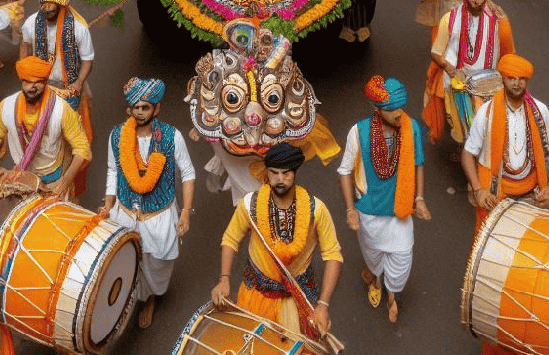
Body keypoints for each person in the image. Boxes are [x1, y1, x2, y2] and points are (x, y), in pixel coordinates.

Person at [211, 142, 342, 341]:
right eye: (274, 173)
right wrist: (224, 279)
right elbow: (230, 238)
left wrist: (323, 306)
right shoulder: (250, 204)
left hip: (296, 300)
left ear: (295, 173)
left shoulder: (316, 210)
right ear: (267, 173)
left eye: (286, 173)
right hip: (255, 294)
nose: (280, 179)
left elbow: (333, 255)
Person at [99, 77, 196, 330]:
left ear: (156, 108)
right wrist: (108, 204)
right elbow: (113, 170)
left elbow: (187, 173)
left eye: (145, 107)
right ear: (128, 109)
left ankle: (150, 298)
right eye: (135, 108)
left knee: (156, 265)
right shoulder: (117, 135)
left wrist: (185, 213)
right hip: (125, 213)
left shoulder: (171, 137)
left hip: (160, 216)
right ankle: (127, 299)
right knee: (126, 261)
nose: (140, 112)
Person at [337, 77, 430, 324]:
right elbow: (345, 171)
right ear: (377, 110)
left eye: (401, 107)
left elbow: (418, 163)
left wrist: (419, 198)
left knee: (402, 256)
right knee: (374, 254)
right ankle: (377, 280)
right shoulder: (358, 132)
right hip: (369, 209)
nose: (399, 114)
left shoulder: (411, 129)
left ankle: (392, 295)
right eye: (392, 110)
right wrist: (350, 210)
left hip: (400, 210)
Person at [461, 54, 549, 236]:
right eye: (511, 78)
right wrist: (478, 190)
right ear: (503, 79)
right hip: (496, 194)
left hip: (532, 195)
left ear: (527, 81)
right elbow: (468, 153)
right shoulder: (486, 113)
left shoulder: (540, 110)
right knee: (492, 243)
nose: (517, 84)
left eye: (521, 79)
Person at [424, 0, 515, 157]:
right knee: (461, 121)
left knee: (485, 122)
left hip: (487, 81)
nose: (478, 1)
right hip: (457, 80)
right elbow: (436, 53)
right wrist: (451, 70)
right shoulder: (448, 20)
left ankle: (480, 156)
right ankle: (464, 148)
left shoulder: (498, 22)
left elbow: (509, 52)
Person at [20, 0, 94, 193]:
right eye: (43, 3)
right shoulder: (31, 23)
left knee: (76, 142)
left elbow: (87, 60)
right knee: (41, 136)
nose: (47, 7)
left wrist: (79, 82)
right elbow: (25, 47)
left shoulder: (78, 28)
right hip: (41, 87)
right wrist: (25, 73)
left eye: (50, 4)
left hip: (69, 87)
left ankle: (71, 186)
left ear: (60, 4)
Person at [0, 55, 91, 201]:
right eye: (27, 82)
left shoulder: (61, 110)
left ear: (45, 82)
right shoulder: (7, 106)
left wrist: (65, 181)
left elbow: (82, 149)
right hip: (22, 175)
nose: (32, 88)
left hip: (52, 177)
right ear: (22, 81)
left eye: (38, 83)